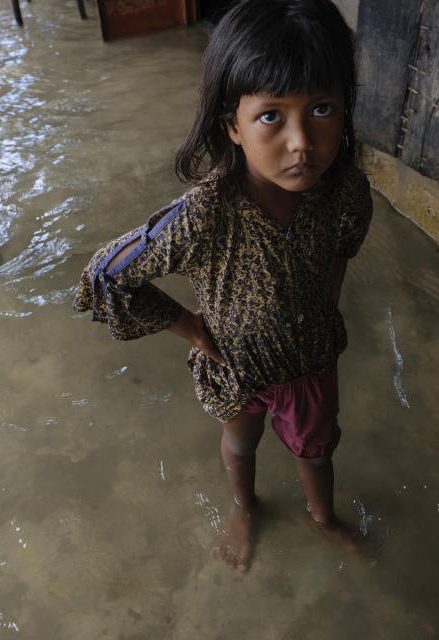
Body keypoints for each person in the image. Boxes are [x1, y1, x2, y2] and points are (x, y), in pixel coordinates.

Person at [74, 0, 373, 571]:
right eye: (271, 116)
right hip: (233, 363)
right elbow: (107, 275)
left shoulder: (346, 192)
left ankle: (324, 520)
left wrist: (326, 293)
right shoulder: (204, 215)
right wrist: (189, 327)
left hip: (310, 358)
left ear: (346, 111)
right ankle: (246, 507)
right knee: (240, 444)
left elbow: (346, 244)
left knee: (317, 451)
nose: (301, 142)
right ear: (231, 125)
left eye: (323, 109)